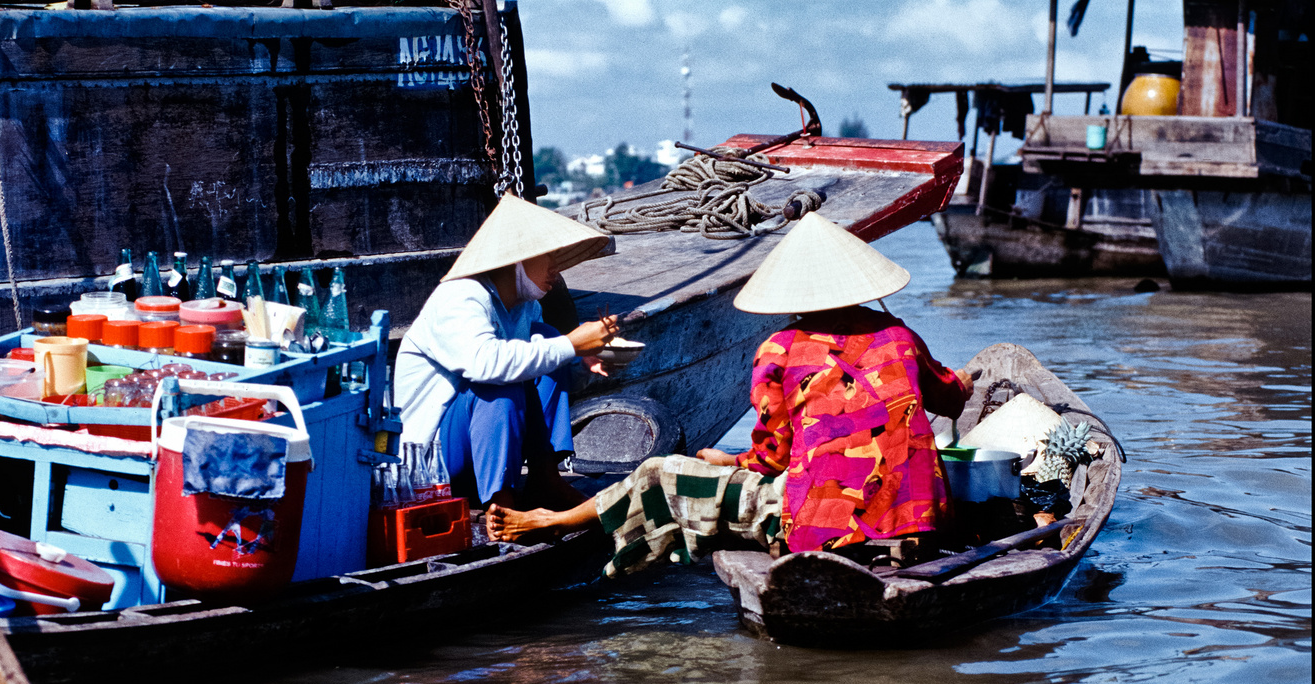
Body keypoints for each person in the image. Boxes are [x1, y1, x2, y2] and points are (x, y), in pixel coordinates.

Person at [487, 213, 974, 573]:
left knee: (660, 474)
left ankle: (558, 521)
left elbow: (773, 457)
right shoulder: (900, 337)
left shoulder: (779, 351)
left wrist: (729, 462)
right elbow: (951, 398)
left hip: (818, 527)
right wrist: (965, 382)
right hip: (921, 521)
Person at [394, 194, 621, 511]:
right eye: (548, 255)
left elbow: (545, 369)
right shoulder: (461, 298)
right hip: (428, 463)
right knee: (503, 380)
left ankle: (546, 478)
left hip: (480, 454)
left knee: (545, 337)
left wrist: (581, 359)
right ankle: (502, 507)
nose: (556, 267)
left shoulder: (527, 308)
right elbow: (486, 364)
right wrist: (572, 344)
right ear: (517, 257)